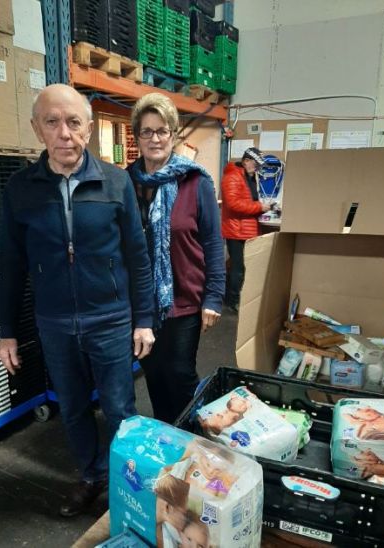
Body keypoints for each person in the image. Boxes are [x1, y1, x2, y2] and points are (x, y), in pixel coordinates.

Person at [0, 84, 156, 517]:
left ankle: (128, 487)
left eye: (73, 122)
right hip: (54, 322)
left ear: (88, 128)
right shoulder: (20, 190)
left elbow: (138, 257)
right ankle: (90, 477)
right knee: (70, 408)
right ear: (37, 129)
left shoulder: (117, 181)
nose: (64, 133)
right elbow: (11, 265)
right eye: (52, 122)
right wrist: (7, 332)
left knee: (120, 408)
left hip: (109, 318)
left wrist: (143, 318)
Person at [126, 93, 225, 425]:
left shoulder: (194, 182)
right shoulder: (126, 184)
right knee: (153, 374)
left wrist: (213, 296)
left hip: (185, 301)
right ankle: (166, 437)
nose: (155, 138)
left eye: (162, 130)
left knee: (180, 374)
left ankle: (188, 442)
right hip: (142, 304)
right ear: (137, 136)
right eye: (147, 131)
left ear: (173, 133)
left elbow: (213, 243)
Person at [220, 146, 273, 312]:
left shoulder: (248, 177)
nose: (257, 167)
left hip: (246, 228)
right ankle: (232, 301)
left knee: (243, 267)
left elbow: (249, 199)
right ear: (246, 161)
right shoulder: (232, 177)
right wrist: (260, 207)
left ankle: (238, 297)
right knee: (238, 268)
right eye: (255, 164)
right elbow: (233, 204)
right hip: (236, 230)